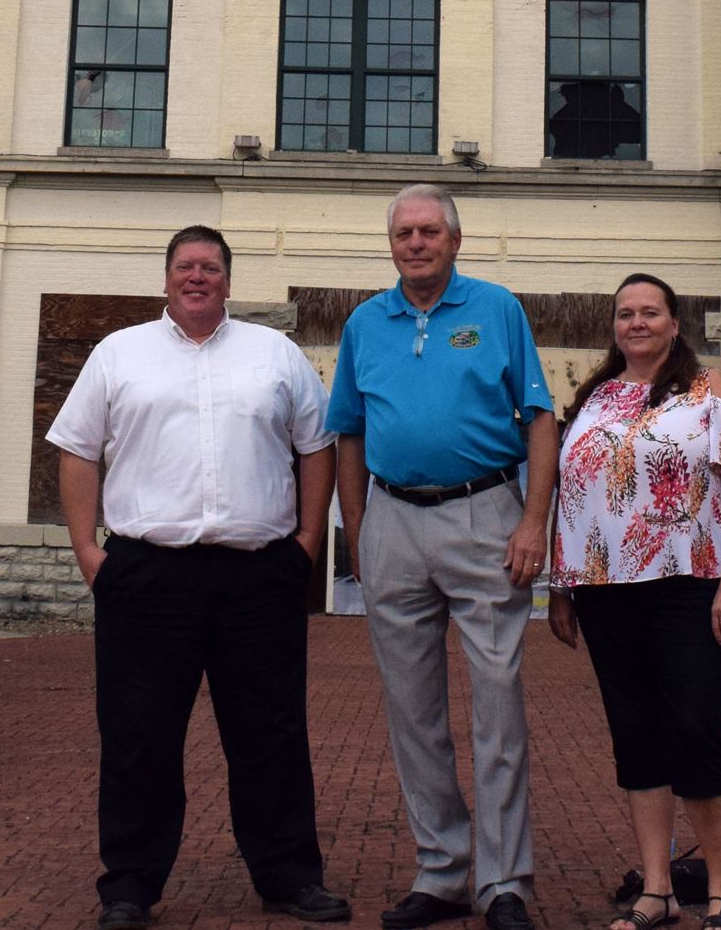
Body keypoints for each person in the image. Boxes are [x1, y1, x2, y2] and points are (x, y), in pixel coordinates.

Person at [49, 225, 352, 928]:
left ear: (226, 279)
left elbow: (316, 447)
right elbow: (76, 450)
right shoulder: (117, 354)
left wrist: (307, 542)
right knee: (138, 733)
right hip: (146, 577)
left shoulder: (273, 354)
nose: (197, 276)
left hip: (258, 578)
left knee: (270, 732)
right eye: (185, 265)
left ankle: (288, 875)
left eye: (210, 267)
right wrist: (88, 552)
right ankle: (128, 884)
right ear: (165, 278)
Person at [328, 183, 557, 930]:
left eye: (430, 231)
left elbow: (540, 420)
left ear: (455, 240)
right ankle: (442, 870)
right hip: (392, 519)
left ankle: (504, 883)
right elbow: (350, 433)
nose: (416, 243)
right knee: (411, 709)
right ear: (391, 243)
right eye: (404, 232)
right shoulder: (366, 322)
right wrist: (359, 531)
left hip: (485, 513)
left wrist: (532, 521)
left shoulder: (497, 309)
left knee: (497, 701)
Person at [545, 273, 721, 930]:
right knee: (635, 732)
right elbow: (572, 495)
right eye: (625, 313)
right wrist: (561, 586)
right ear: (615, 325)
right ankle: (657, 887)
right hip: (605, 589)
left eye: (650, 312)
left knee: (695, 724)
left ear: (674, 322)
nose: (636, 322)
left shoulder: (710, 390)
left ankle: (720, 886)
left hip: (689, 583)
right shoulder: (595, 396)